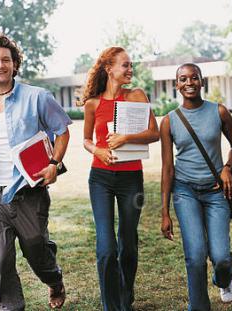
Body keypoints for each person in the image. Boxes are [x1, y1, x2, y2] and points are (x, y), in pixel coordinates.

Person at [0, 32, 72, 310]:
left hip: (28, 191)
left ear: (14, 64)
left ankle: (54, 280)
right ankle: (11, 307)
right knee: (0, 261)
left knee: (36, 249)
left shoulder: (38, 97)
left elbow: (61, 132)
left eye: (5, 59)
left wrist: (53, 164)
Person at [81, 46, 159, 311]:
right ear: (109, 69)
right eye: (125, 65)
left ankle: (126, 298)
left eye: (130, 65)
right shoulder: (93, 104)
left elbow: (154, 133)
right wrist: (99, 150)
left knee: (127, 243)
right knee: (106, 247)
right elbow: (86, 140)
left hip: (131, 180)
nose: (130, 70)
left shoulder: (136, 95)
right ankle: (111, 306)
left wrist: (126, 138)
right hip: (100, 178)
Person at [160, 63, 232, 311]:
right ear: (177, 85)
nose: (189, 83)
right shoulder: (169, 121)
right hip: (185, 191)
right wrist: (165, 212)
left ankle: (224, 279)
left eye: (194, 78)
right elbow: (167, 169)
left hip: (216, 192)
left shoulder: (220, 112)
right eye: (183, 79)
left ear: (202, 82)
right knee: (195, 256)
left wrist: (227, 167)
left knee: (221, 258)